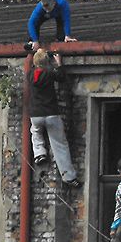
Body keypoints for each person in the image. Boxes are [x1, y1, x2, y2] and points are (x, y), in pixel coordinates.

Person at [28, 48, 79, 187]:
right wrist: (59, 63)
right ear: (47, 62)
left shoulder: (30, 74)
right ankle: (69, 176)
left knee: (35, 132)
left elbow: (36, 67)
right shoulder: (50, 73)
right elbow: (61, 76)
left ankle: (39, 153)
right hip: (51, 114)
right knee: (60, 144)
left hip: (35, 115)